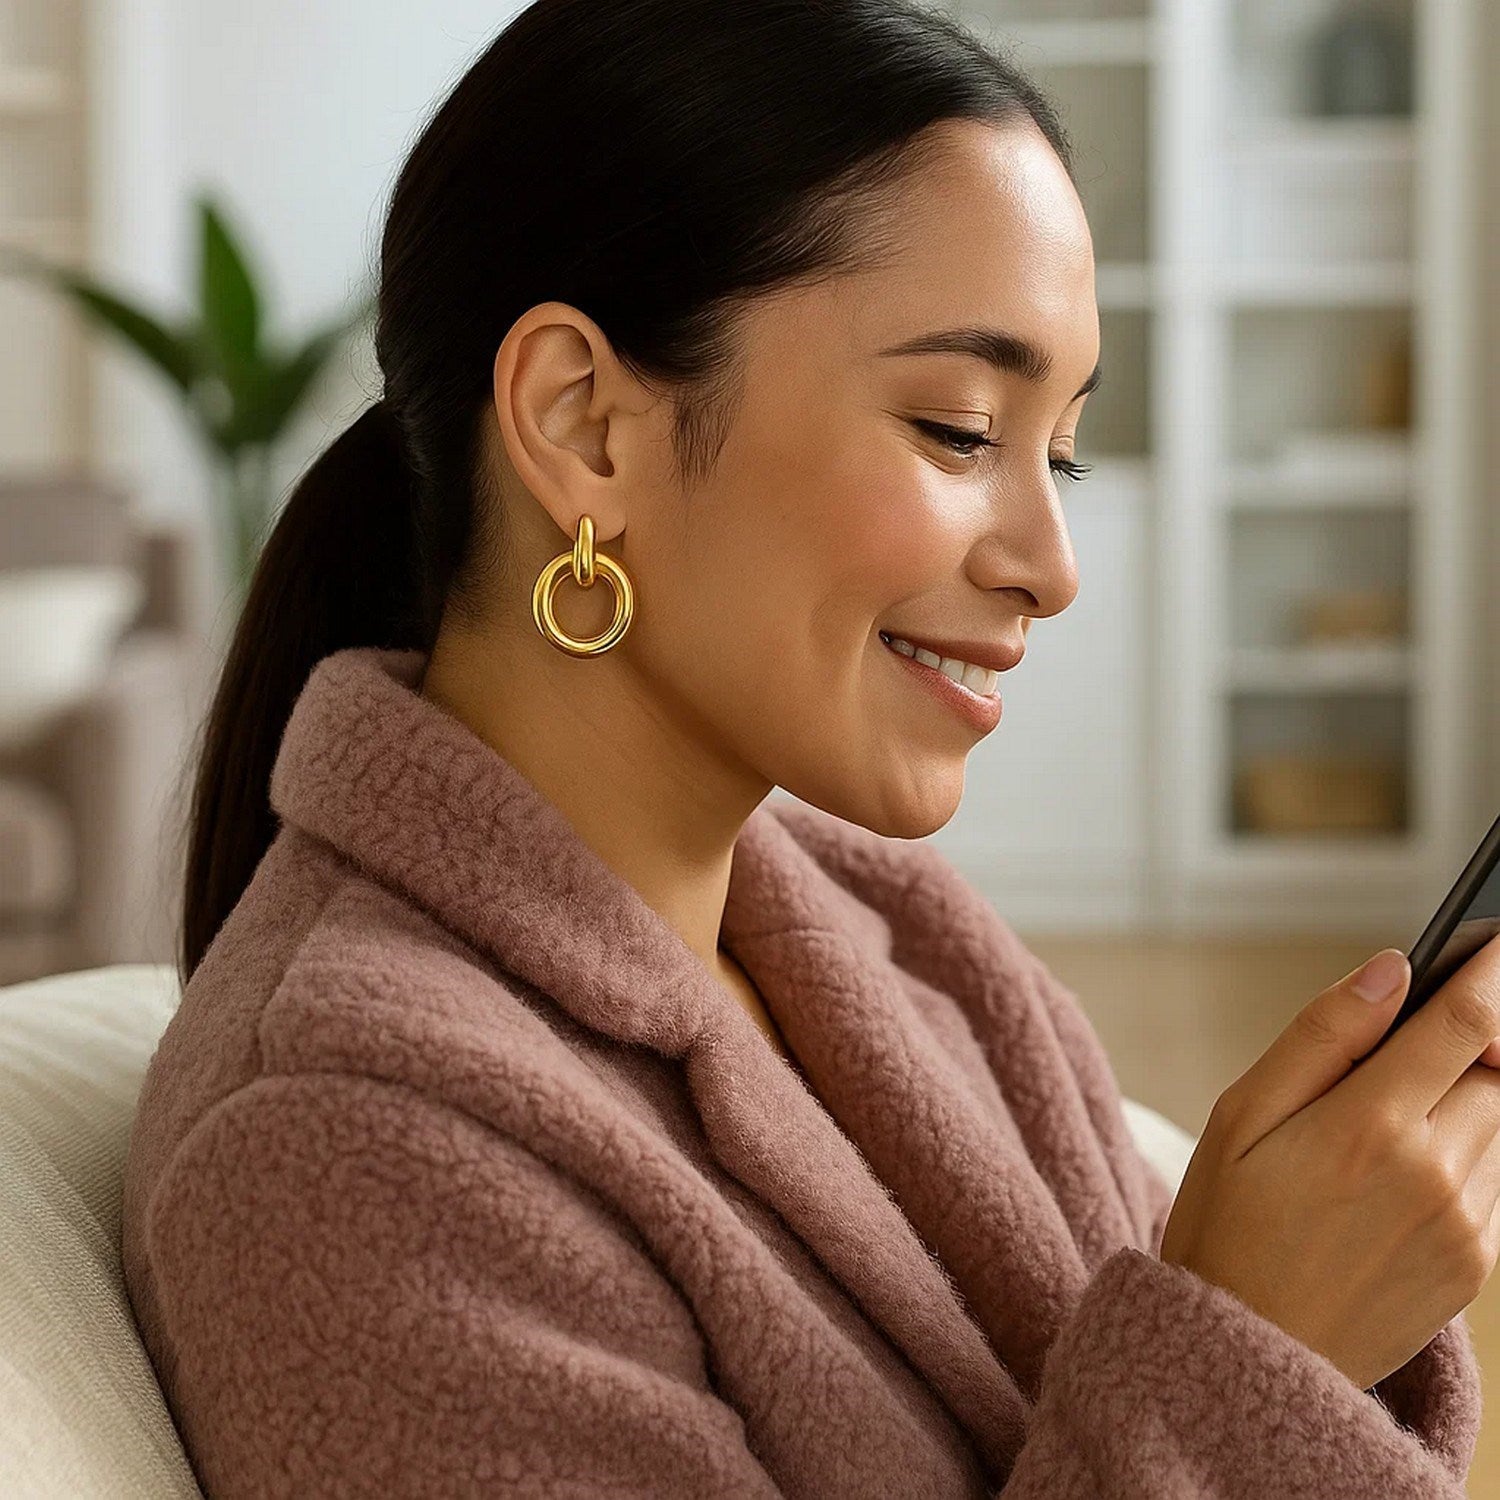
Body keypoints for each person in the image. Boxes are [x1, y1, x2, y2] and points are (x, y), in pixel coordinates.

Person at [121, 1, 1494, 1494]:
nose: (1053, 561)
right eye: (962, 430)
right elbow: (1197, 1386)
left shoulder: (898, 942)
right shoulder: (342, 1153)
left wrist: (1310, 1312)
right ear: (585, 425)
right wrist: (1253, 1346)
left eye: (1064, 449)